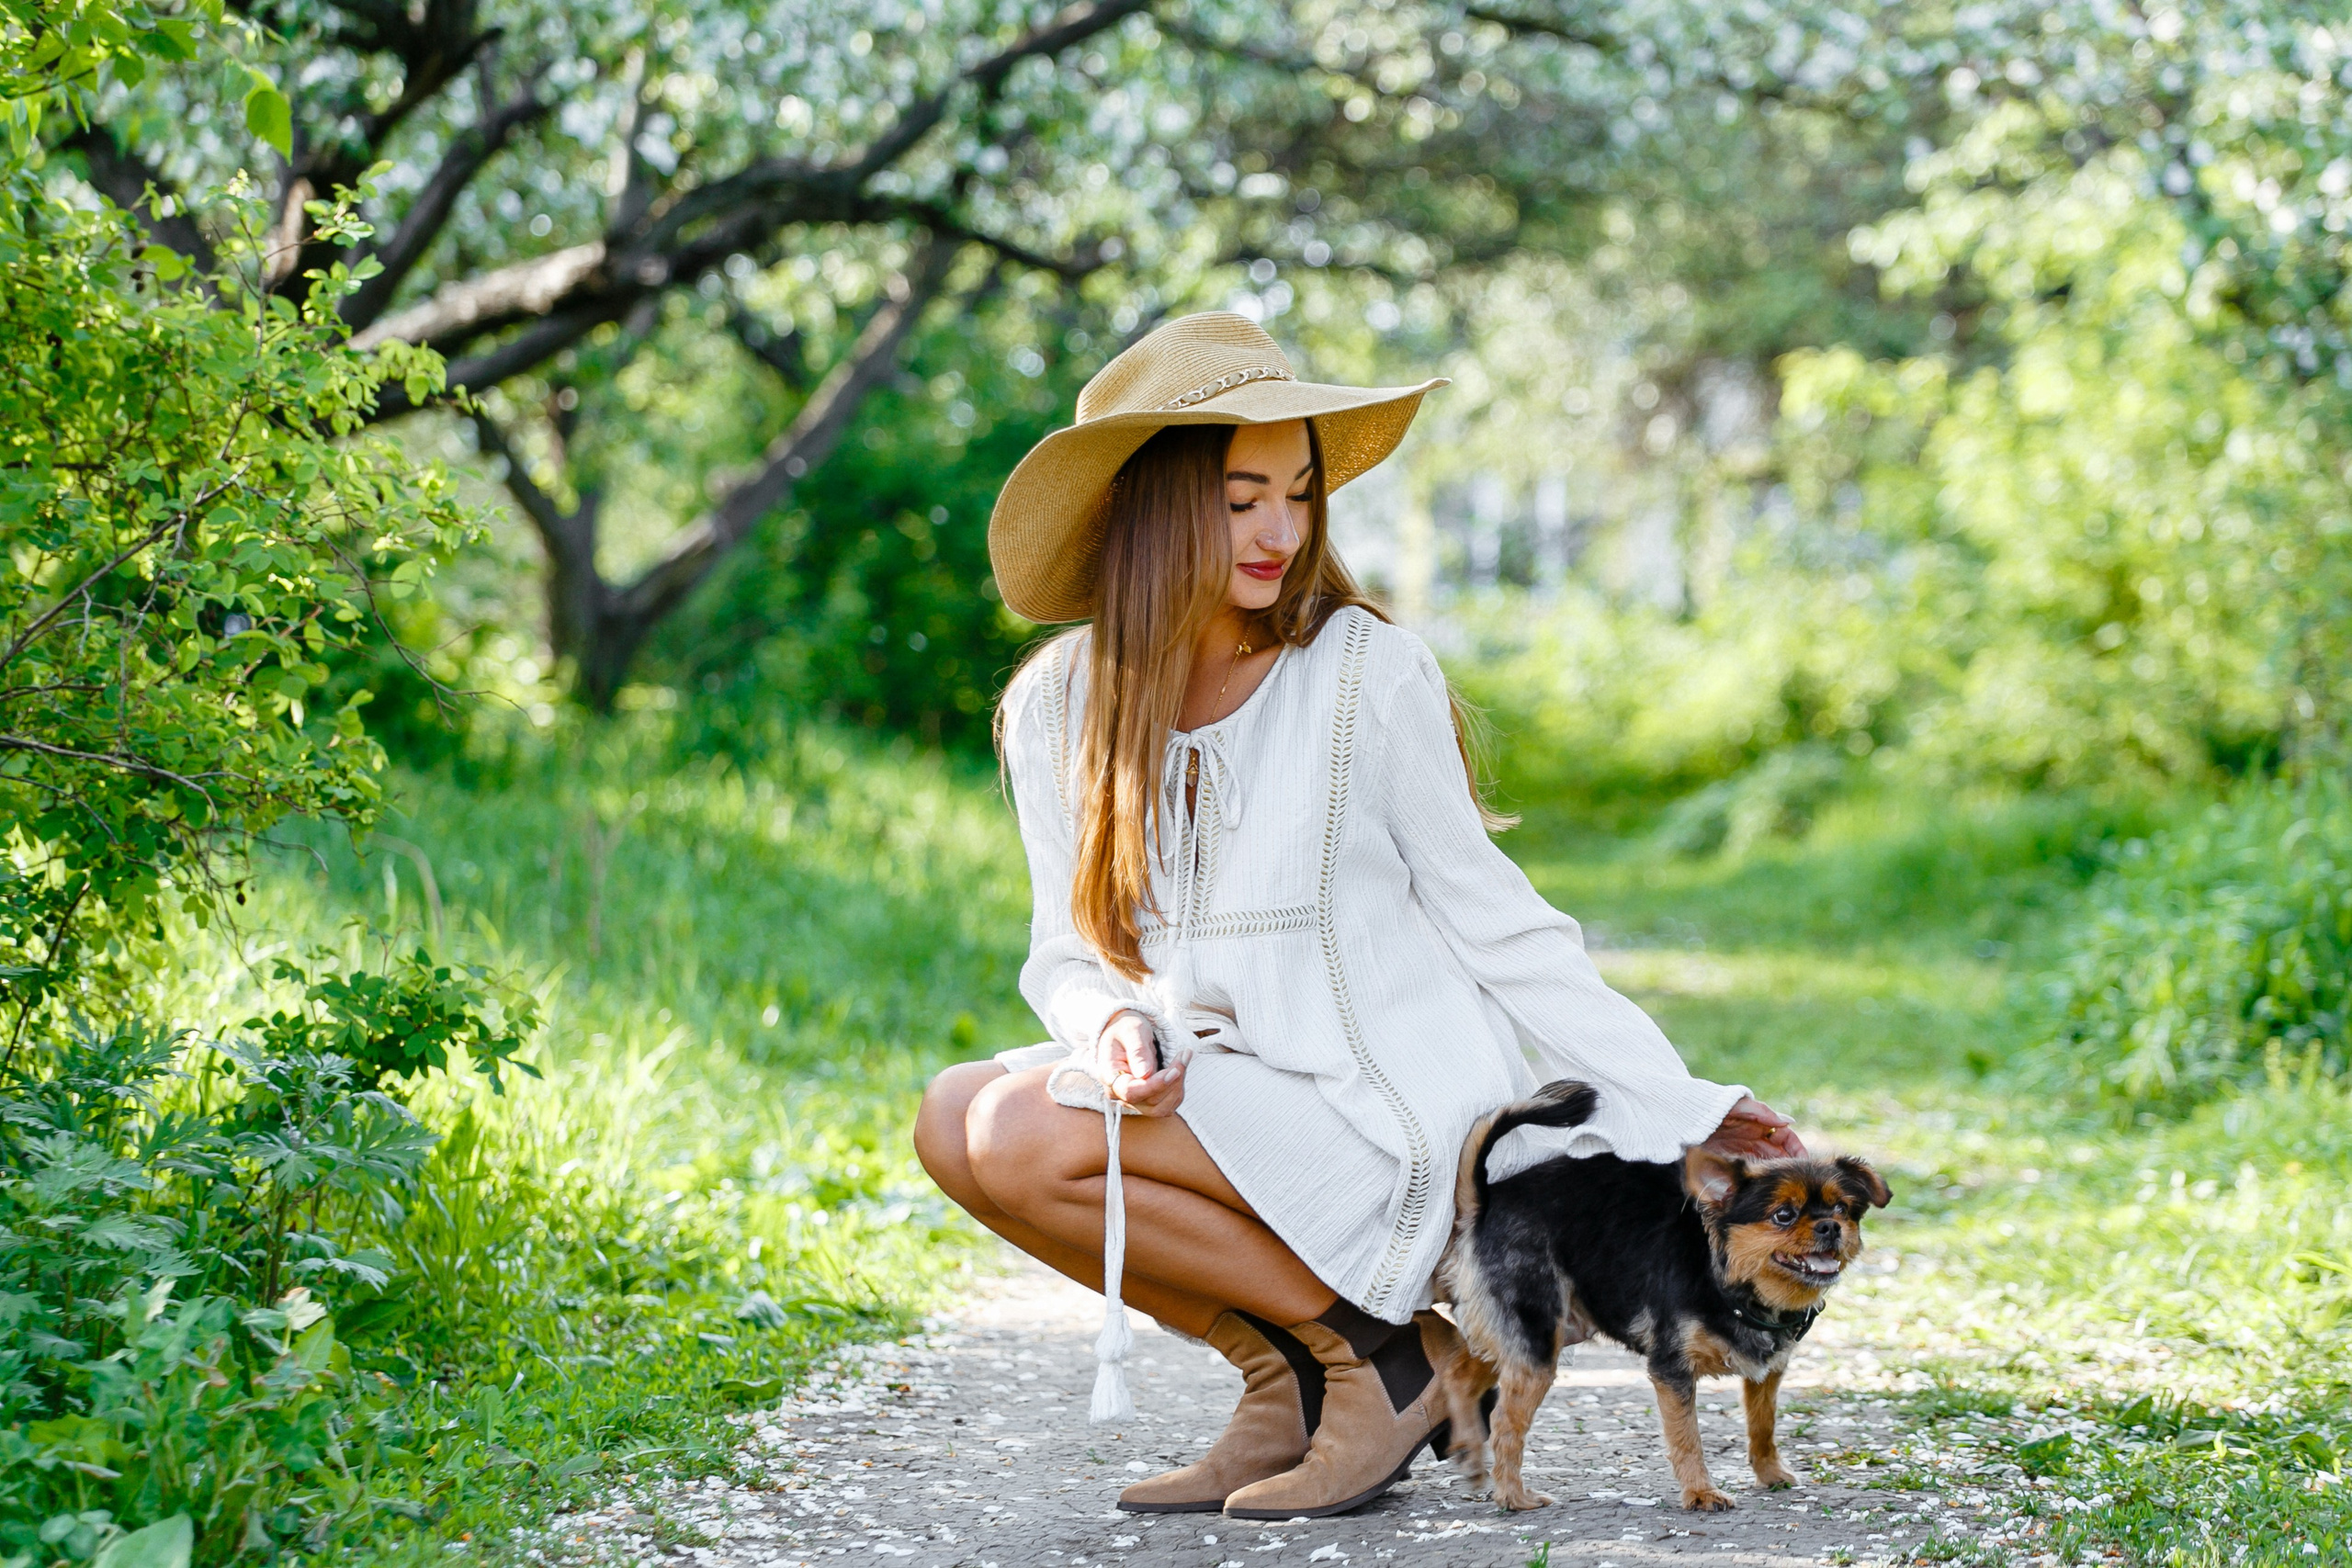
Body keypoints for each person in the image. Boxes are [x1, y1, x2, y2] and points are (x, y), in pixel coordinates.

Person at [915, 311, 1804, 1520]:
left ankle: (1391, 1362)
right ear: (1159, 507)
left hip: (1385, 1116)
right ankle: (1287, 1382)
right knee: (952, 1118)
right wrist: (1113, 1027)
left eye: (1297, 493)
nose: (1280, 531)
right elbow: (1070, 955)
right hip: (1221, 1091)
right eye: (1240, 499)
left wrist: (1686, 1102)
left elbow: (1505, 927)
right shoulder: (1062, 704)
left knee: (1022, 1130)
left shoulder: (1362, 676)